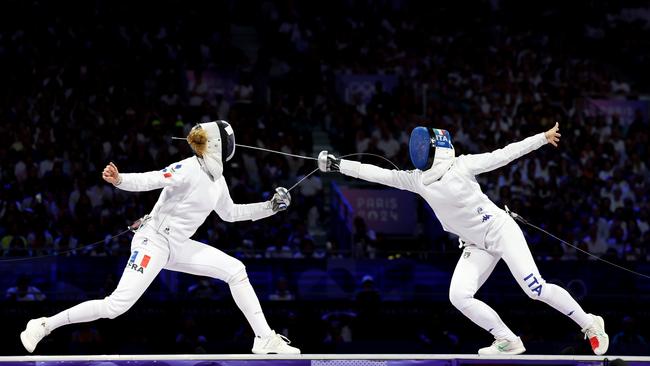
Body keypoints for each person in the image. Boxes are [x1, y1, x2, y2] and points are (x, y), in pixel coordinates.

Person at [318, 122, 608, 355]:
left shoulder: (463, 165)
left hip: (500, 230)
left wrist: (542, 138)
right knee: (458, 296)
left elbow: (505, 153)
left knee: (534, 287)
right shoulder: (418, 180)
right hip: (475, 244)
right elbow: (377, 174)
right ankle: (508, 339)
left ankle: (590, 323)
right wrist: (337, 165)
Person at [20, 121, 300, 354]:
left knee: (236, 271)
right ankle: (44, 325)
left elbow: (231, 214)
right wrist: (120, 180)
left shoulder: (218, 181)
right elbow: (154, 178)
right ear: (219, 146)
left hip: (177, 245)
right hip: (152, 241)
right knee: (116, 306)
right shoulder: (189, 168)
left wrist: (270, 208)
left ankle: (264, 338)